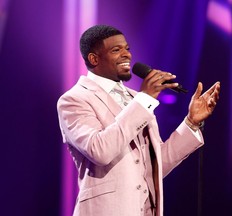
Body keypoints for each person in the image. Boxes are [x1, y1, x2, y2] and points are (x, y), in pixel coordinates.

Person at [57, 24, 220, 216]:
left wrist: (191, 122)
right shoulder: (74, 99)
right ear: (94, 58)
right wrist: (145, 99)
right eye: (116, 50)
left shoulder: (137, 99)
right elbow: (99, 150)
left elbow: (158, 164)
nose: (127, 55)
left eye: (127, 48)